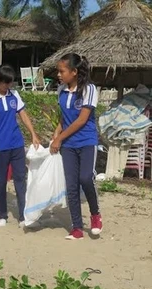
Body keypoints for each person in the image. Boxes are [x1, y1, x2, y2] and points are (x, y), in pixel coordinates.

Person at [0, 64, 40, 227]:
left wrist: (33, 134)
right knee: (0, 181)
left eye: (11, 83)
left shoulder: (14, 95)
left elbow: (23, 115)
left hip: (17, 144)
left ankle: (23, 215)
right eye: (5, 83)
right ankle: (2, 215)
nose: (8, 86)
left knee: (20, 178)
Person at [50, 53, 103, 240]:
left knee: (86, 178)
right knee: (71, 185)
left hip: (87, 141)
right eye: (58, 71)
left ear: (73, 72)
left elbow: (81, 120)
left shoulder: (89, 89)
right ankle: (77, 227)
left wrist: (59, 138)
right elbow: (64, 118)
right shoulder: (61, 91)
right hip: (69, 145)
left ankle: (95, 215)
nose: (58, 74)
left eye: (61, 71)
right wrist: (57, 134)